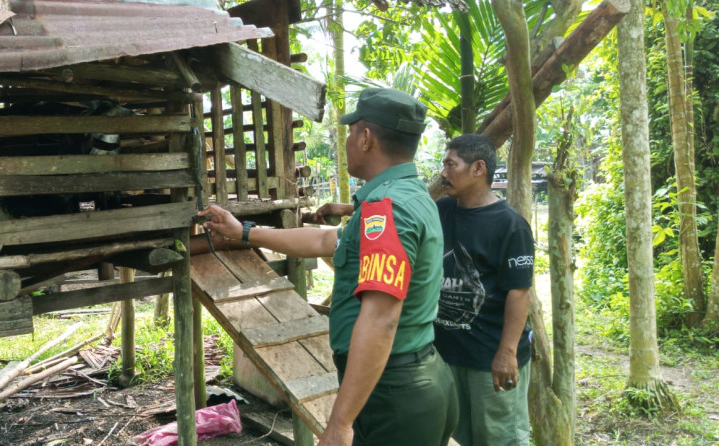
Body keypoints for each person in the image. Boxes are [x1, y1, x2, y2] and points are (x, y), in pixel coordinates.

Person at [198, 88, 457, 446]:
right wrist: (243, 231)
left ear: (366, 138)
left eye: (351, 131)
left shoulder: (388, 209)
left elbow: (381, 320)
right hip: (420, 378)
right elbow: (324, 242)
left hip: (392, 396)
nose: (349, 139)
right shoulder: (409, 196)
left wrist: (339, 424)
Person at [434, 134, 534, 445]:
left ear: (479, 168)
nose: (444, 173)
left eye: (451, 165)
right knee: (457, 435)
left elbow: (519, 293)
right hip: (448, 356)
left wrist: (506, 354)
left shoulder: (510, 225)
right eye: (444, 165)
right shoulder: (442, 211)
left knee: (500, 437)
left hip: (490, 358)